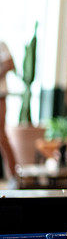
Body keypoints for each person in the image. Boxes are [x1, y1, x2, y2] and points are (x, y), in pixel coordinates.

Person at [0, 40, 18, 184]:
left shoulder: (1, 44)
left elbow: (9, 64)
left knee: (1, 136)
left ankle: (13, 176)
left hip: (0, 96)